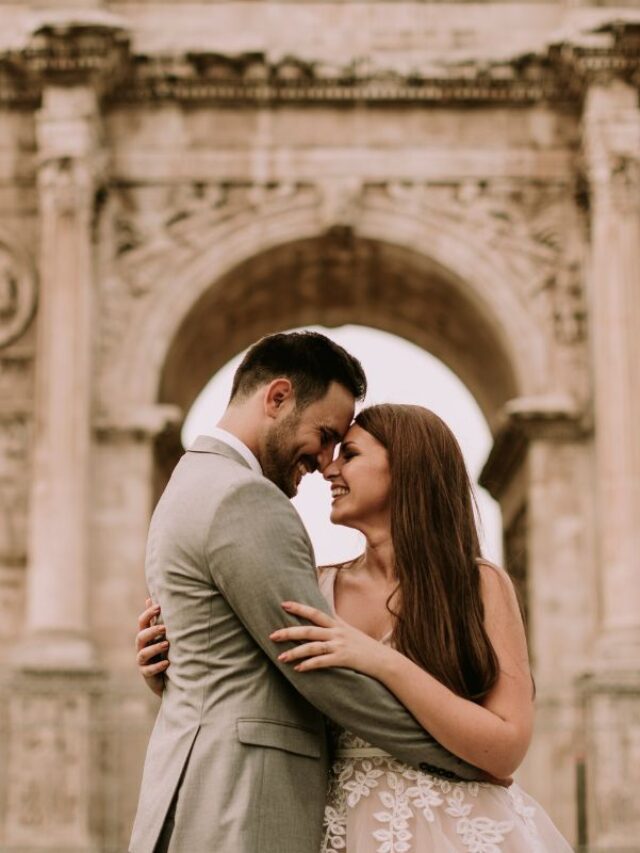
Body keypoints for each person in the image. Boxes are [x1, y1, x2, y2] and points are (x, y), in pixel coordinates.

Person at [138, 403, 572, 852]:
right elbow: (258, 694)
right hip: (331, 831)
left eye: (350, 454)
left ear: (406, 467)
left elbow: (506, 748)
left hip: (457, 830)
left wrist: (381, 661)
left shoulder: (480, 585)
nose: (329, 468)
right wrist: (174, 671)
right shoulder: (314, 588)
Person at [129, 333, 483, 853]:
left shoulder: (188, 481)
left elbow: (221, 651)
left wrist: (175, 670)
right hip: (240, 802)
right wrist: (461, 756)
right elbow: (317, 667)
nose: (325, 461)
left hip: (200, 789)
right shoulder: (244, 498)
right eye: (325, 434)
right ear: (277, 397)